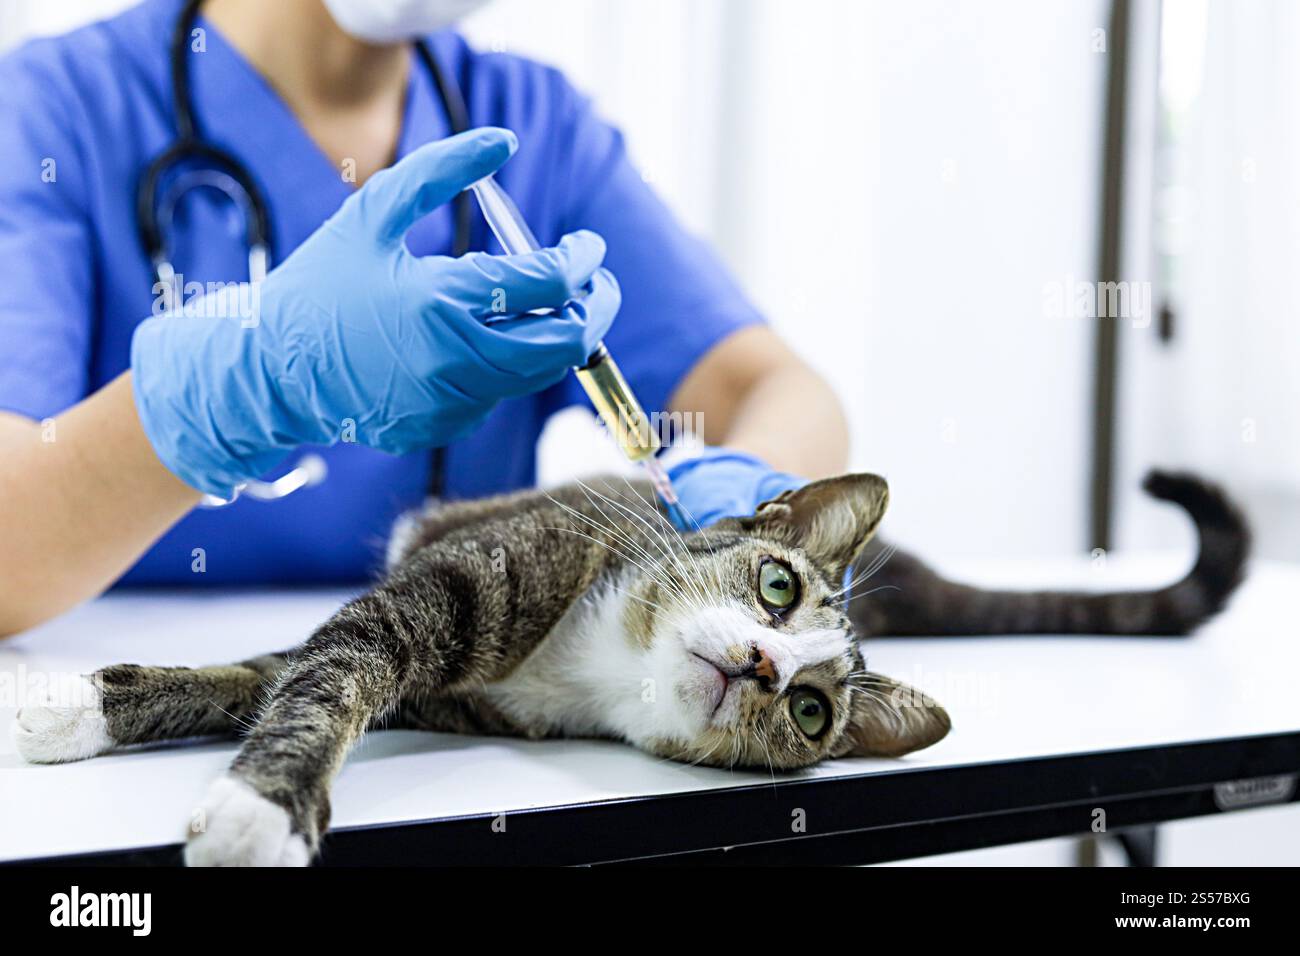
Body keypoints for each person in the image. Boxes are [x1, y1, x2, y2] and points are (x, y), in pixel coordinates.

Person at [0, 0, 849, 637]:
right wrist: (246, 387)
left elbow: (774, 386)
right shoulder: (56, 107)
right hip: (105, 735)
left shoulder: (526, 124)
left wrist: (755, 514)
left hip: (432, 743)